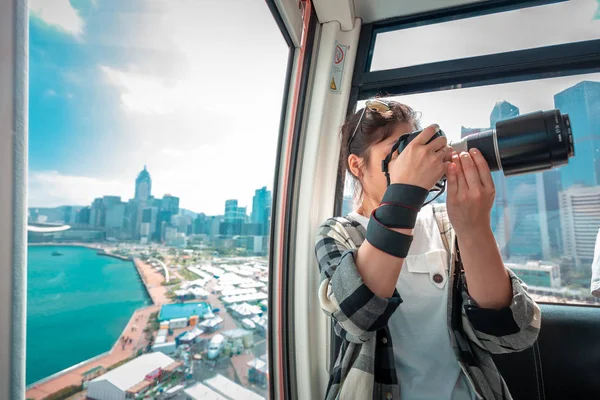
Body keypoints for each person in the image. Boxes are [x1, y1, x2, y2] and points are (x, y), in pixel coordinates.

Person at [315, 100, 541, 400]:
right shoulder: (340, 232)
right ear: (357, 165)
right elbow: (357, 320)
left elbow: (512, 334)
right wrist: (405, 193)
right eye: (400, 152)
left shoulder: (447, 225)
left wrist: (474, 228)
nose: (414, 161)